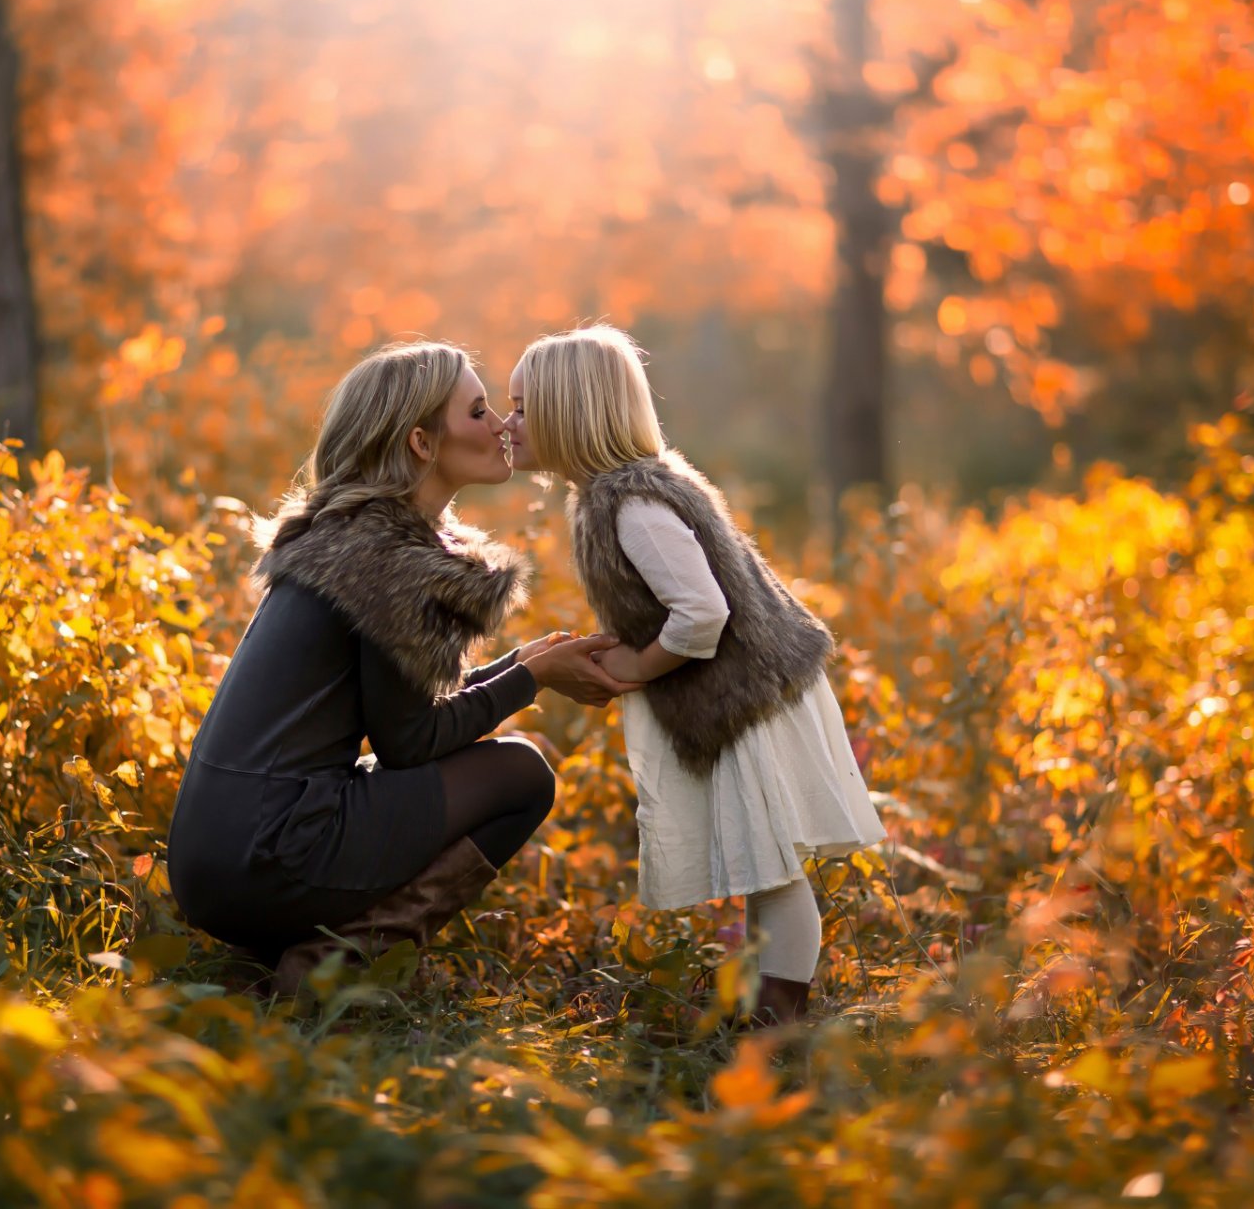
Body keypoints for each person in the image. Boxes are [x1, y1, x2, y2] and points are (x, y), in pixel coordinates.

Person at [166, 341, 640, 996]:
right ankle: (344, 964)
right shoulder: (391, 563)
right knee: (522, 773)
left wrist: (526, 662)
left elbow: (406, 712)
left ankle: (282, 950)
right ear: (422, 442)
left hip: (214, 861)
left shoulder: (349, 540)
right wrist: (533, 679)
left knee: (476, 765)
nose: (500, 425)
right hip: (272, 854)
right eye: (478, 411)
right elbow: (411, 742)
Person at [504, 325, 886, 1023]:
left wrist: (638, 663)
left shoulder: (633, 505)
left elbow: (703, 611)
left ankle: (778, 1022)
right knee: (765, 867)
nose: (509, 423)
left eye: (523, 408)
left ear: (569, 413)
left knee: (774, 870)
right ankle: (767, 1005)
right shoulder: (610, 497)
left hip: (748, 699)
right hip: (738, 697)